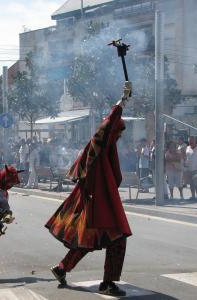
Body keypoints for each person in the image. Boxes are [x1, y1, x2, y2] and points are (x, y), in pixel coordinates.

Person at [46, 82, 132, 297]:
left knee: (87, 240)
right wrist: (123, 100)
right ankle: (108, 283)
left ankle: (62, 268)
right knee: (118, 240)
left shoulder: (104, 147)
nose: (118, 137)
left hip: (97, 204)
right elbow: (109, 122)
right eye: (117, 133)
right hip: (99, 205)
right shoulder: (99, 144)